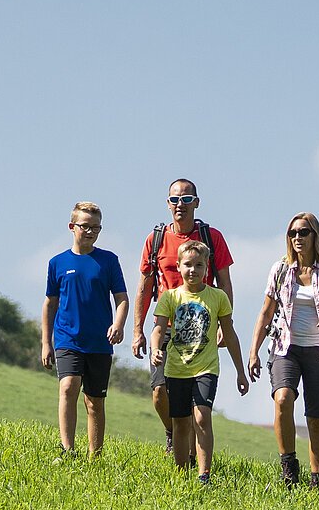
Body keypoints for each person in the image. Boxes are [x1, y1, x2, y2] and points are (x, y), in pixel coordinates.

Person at [130, 178, 234, 454]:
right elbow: (144, 287)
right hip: (164, 324)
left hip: (200, 326)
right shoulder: (156, 240)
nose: (180, 205)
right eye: (175, 200)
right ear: (168, 204)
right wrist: (137, 329)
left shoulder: (212, 238)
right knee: (159, 391)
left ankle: (189, 453)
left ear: (196, 204)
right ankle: (174, 431)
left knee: (195, 393)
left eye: (187, 200)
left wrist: (226, 324)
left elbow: (224, 281)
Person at [246, 212, 319, 488]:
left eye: (303, 232)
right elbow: (265, 312)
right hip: (285, 347)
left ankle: (318, 480)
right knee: (282, 399)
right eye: (293, 233)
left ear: (315, 235)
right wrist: (253, 351)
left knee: (316, 419)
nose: (297, 238)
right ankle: (288, 467)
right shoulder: (280, 270)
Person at [149, 240, 247, 485]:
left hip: (206, 367)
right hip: (176, 368)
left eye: (199, 265)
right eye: (188, 265)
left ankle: (204, 474)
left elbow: (230, 335)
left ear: (207, 269)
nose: (193, 270)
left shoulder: (217, 297)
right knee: (180, 422)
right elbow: (159, 329)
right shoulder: (170, 298)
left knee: (202, 416)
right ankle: (182, 474)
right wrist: (154, 350)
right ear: (179, 267)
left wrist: (240, 371)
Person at [39, 202, 126, 457]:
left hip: (99, 341)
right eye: (85, 227)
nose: (90, 232)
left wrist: (118, 324)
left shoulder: (108, 261)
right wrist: (46, 342)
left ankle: (94, 456)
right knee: (68, 386)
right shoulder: (57, 263)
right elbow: (50, 303)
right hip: (67, 338)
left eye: (95, 228)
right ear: (72, 227)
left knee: (94, 401)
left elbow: (122, 298)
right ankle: (67, 450)